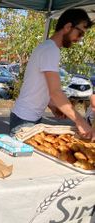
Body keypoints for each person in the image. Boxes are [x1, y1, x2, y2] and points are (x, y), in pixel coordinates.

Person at [9, 8, 95, 141]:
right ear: (67, 27)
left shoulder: (46, 47)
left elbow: (39, 86)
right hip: (25, 121)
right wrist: (81, 122)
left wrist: (52, 106)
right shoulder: (51, 50)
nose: (79, 39)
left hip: (26, 117)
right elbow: (56, 92)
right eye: (80, 33)